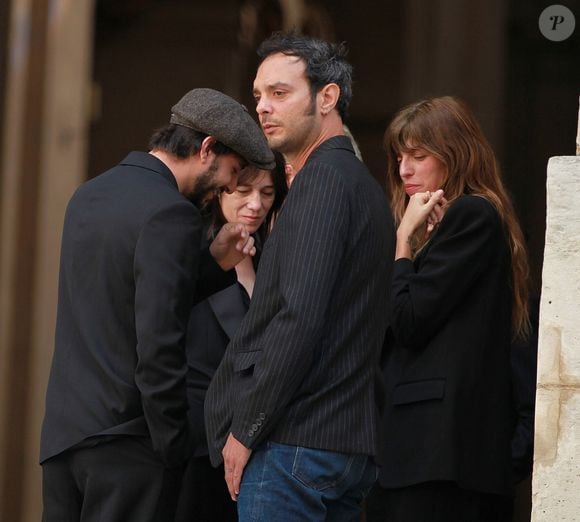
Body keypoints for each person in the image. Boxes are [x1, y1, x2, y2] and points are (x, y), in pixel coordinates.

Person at [40, 88, 274, 522]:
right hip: (128, 450)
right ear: (206, 149)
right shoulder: (171, 213)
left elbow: (119, 299)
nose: (228, 184)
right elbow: (159, 348)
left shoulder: (89, 194)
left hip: (64, 441)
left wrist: (213, 265)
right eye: (233, 169)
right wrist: (175, 447)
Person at [205, 31, 395, 521]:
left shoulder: (324, 180)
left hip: (295, 443)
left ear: (327, 97)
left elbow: (298, 317)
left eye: (280, 93)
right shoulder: (360, 184)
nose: (263, 108)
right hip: (340, 444)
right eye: (259, 96)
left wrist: (246, 428)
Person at [368, 96, 530, 522]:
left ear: (454, 157)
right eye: (400, 157)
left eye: (419, 156)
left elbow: (408, 320)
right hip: (426, 457)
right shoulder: (452, 226)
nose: (404, 169)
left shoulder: (472, 215)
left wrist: (402, 241)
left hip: (435, 457)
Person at [175, 153, 287, 522]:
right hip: (198, 446)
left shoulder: (275, 259)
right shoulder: (190, 250)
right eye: (243, 190)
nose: (256, 205)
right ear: (221, 189)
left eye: (267, 193)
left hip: (256, 444)